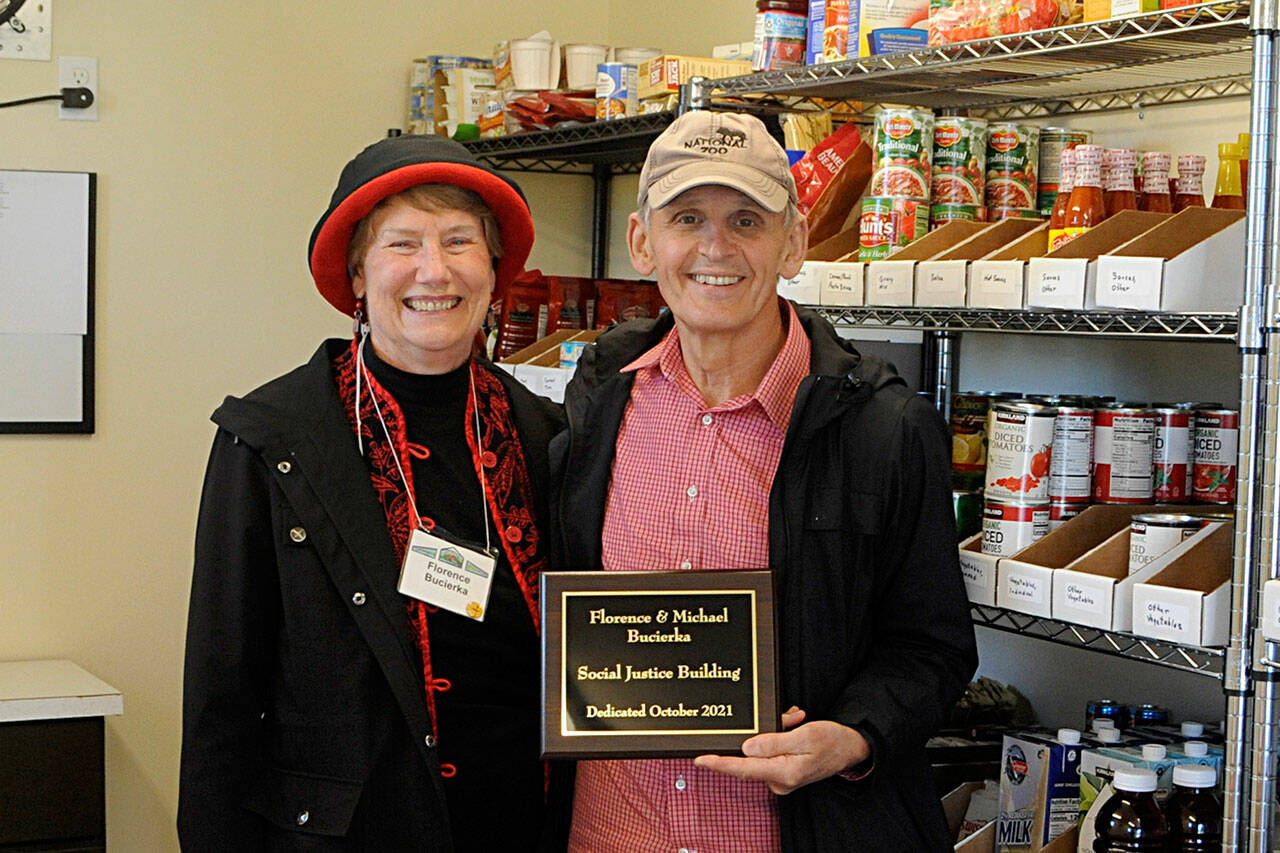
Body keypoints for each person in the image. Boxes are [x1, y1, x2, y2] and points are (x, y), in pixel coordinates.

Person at [551, 110, 978, 852]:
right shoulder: (597, 406)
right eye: (687, 217)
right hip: (608, 833)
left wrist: (849, 736)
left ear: (794, 242)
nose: (716, 247)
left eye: (747, 219)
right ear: (643, 241)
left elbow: (932, 647)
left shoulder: (882, 427)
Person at [179, 134, 567, 851]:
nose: (434, 269)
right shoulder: (270, 440)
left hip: (519, 826)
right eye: (403, 243)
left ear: (493, 269)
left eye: (459, 241)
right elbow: (221, 693)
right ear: (358, 274)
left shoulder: (549, 434)